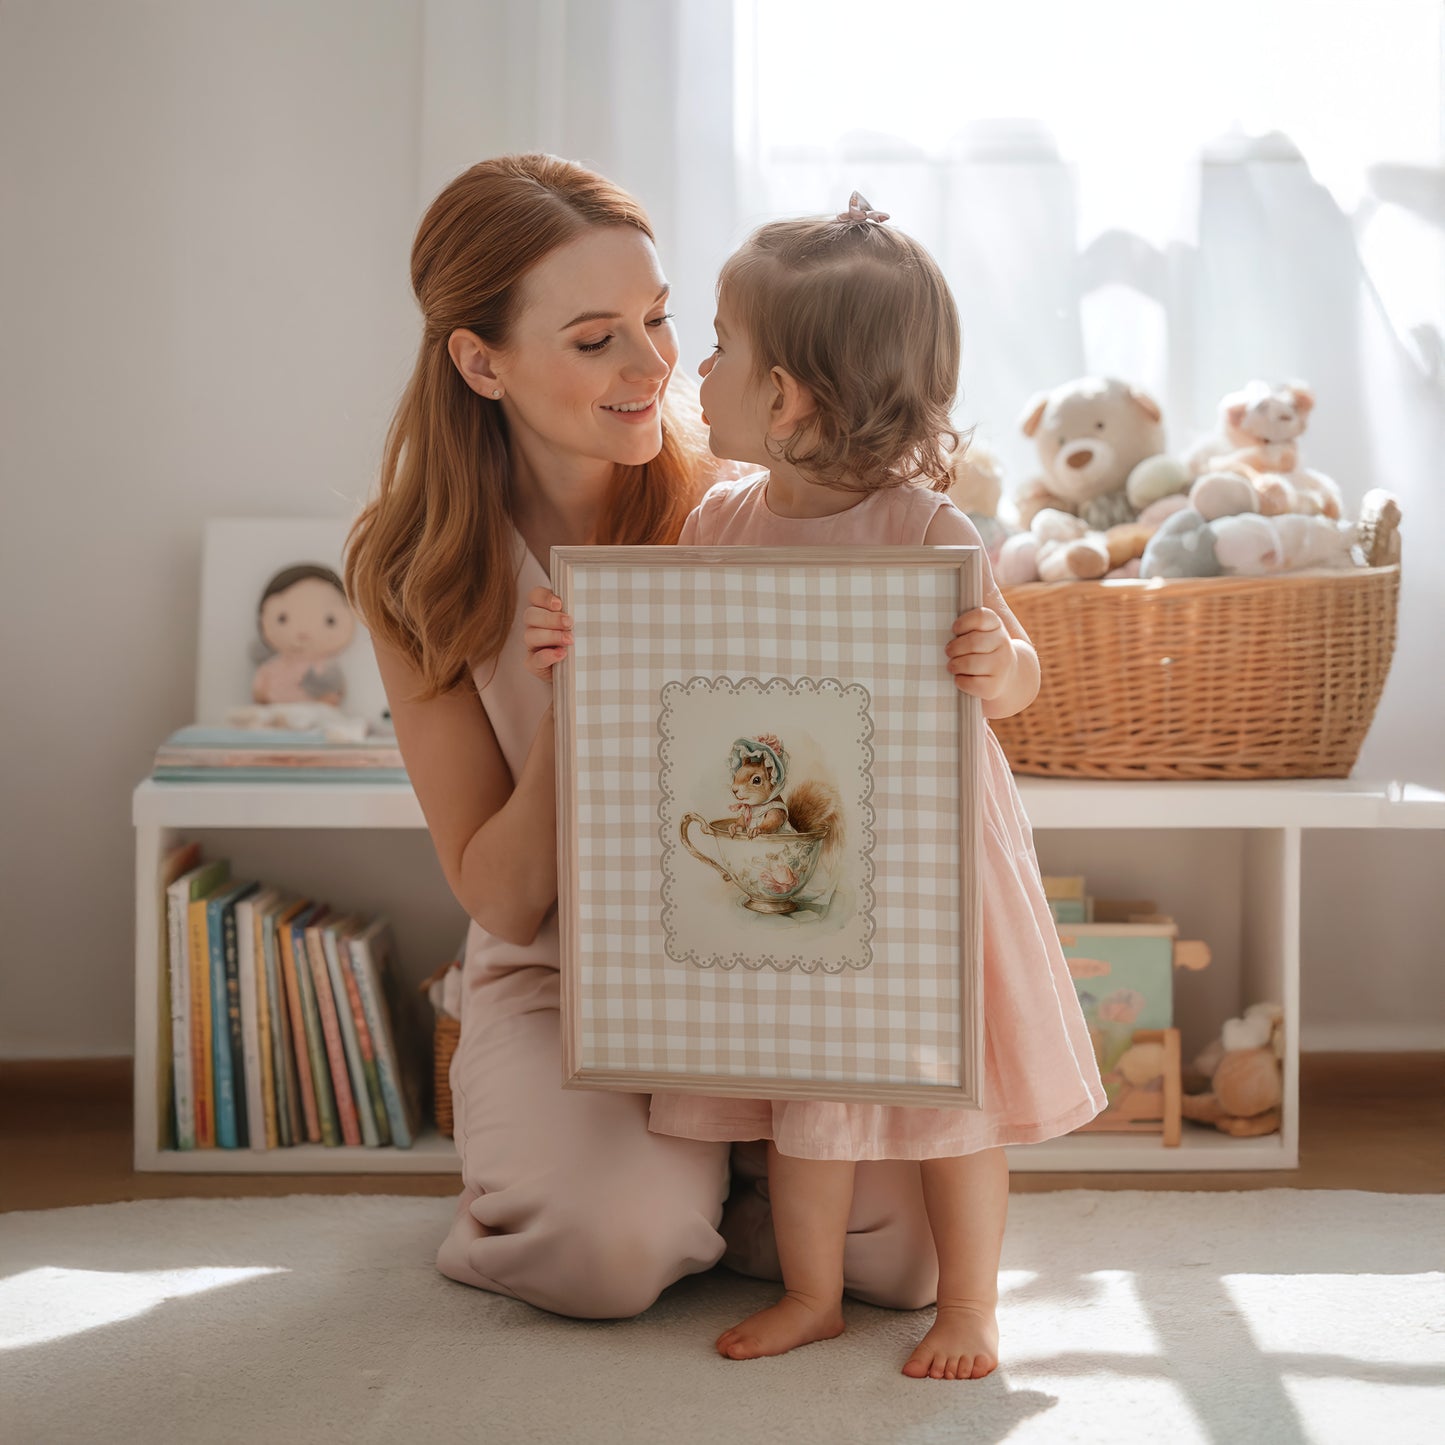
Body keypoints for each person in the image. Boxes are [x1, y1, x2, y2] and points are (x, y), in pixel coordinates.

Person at [344, 157, 948, 1325]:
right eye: (593, 339)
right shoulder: (413, 565)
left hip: (772, 962)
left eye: (661, 318)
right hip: (564, 972)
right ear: (480, 361)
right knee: (603, 1254)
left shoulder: (745, 498)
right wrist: (598, 688)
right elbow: (506, 900)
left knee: (904, 1261)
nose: (655, 365)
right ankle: (644, 1194)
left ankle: (704, 1189)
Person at [528, 193, 1106, 1379]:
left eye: (724, 347)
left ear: (784, 395)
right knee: (801, 1089)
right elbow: (681, 674)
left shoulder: (927, 531)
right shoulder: (720, 523)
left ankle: (972, 1308)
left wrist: (999, 664)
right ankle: (811, 1292)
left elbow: (1020, 677)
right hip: (798, 871)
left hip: (928, 866)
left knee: (958, 1106)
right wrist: (593, 645)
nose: (698, 365)